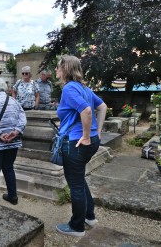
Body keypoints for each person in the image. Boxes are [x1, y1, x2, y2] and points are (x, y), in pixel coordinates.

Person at [54, 55, 107, 237]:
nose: (55, 70)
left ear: (65, 69)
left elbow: (86, 110)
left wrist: (85, 136)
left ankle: (76, 227)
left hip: (76, 143)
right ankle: (89, 216)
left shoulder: (69, 88)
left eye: (58, 67)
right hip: (90, 142)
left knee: (75, 184)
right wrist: (96, 132)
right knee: (80, 179)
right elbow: (103, 107)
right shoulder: (83, 88)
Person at [0, 78, 26, 204]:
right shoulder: (14, 101)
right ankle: (13, 196)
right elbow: (23, 119)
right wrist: (16, 132)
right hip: (13, 142)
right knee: (9, 168)